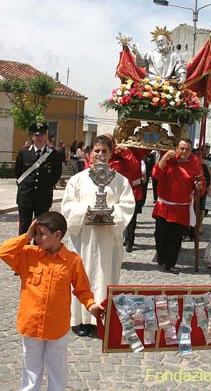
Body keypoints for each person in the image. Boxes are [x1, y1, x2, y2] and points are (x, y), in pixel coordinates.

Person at [0, 211, 101, 391]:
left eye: (42, 234)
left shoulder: (72, 261)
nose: (37, 238)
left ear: (57, 235)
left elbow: (82, 289)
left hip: (57, 327)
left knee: (57, 368)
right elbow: (4, 251)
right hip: (31, 324)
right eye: (36, 233)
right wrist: (27, 236)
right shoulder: (29, 254)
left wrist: (91, 306)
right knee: (31, 367)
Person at [61, 135, 135, 336]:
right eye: (97, 151)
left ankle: (102, 319)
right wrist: (87, 211)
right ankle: (79, 320)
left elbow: (128, 206)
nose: (100, 155)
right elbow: (67, 205)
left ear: (111, 154)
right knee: (81, 275)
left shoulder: (121, 181)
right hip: (83, 237)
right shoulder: (77, 180)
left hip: (108, 240)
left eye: (104, 151)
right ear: (89, 154)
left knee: (106, 275)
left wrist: (109, 214)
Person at [152, 139, 204, 274]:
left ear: (190, 151)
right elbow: (155, 174)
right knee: (160, 236)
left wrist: (199, 187)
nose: (184, 151)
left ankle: (170, 264)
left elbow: (200, 187)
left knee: (176, 238)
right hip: (164, 205)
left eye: (187, 149)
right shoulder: (168, 161)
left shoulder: (194, 166)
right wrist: (164, 158)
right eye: (181, 148)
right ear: (176, 148)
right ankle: (162, 257)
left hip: (181, 208)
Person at [15, 121, 62, 235]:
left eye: (41, 134)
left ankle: (39, 252)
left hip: (43, 196)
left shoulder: (53, 154)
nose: (39, 137)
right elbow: (18, 172)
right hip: (26, 196)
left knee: (41, 229)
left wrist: (45, 186)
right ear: (32, 137)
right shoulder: (24, 152)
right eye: (36, 135)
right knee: (24, 229)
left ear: (45, 136)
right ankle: (24, 252)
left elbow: (56, 174)